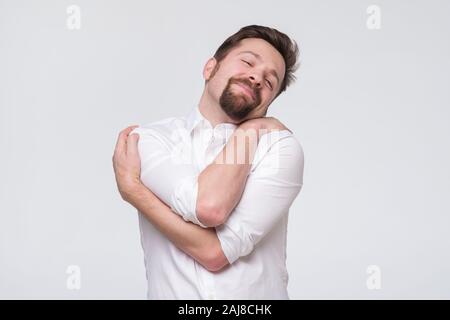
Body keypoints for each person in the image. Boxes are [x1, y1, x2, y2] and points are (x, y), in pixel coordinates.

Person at [112, 25, 304, 299]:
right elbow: (207, 206)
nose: (256, 77)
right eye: (248, 62)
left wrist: (133, 190)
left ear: (268, 103)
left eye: (270, 82)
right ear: (209, 69)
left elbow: (214, 237)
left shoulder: (279, 148)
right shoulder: (149, 139)